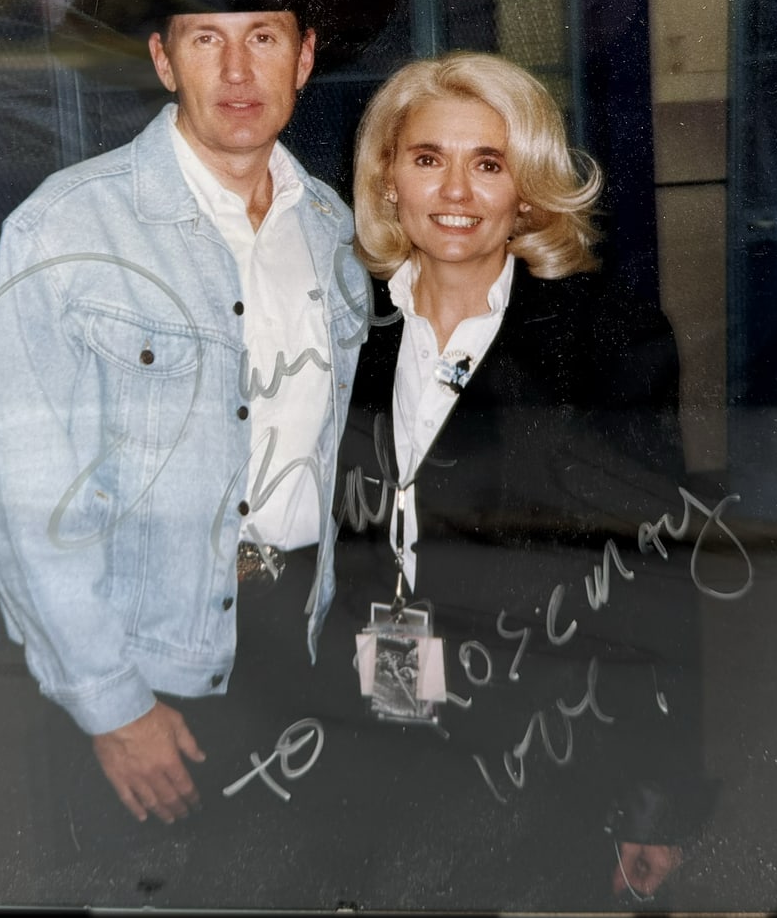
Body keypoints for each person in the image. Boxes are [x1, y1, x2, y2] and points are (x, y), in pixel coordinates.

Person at [0, 0, 393, 873]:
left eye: (264, 38)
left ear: (304, 57)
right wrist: (109, 703)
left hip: (306, 639)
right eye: (204, 39)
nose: (236, 70)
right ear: (162, 59)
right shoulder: (63, 230)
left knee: (307, 879)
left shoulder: (333, 228)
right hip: (147, 658)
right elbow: (13, 491)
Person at [328, 52, 715, 911]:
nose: (455, 191)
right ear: (388, 179)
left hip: (543, 739)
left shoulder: (608, 340)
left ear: (528, 193)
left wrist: (656, 800)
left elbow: (652, 582)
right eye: (427, 158)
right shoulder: (346, 330)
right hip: (369, 717)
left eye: (489, 164)